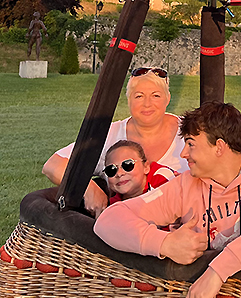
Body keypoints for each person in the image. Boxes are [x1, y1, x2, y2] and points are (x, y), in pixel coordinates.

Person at [94, 102, 241, 298]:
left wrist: (218, 270)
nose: (184, 153)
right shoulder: (187, 185)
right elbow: (108, 220)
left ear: (219, 147)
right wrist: (165, 244)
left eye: (191, 144)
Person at [42, 67, 187, 217]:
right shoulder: (109, 134)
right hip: (125, 228)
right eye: (139, 96)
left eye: (156, 95)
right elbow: (53, 165)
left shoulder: (190, 131)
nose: (147, 104)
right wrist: (88, 188)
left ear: (168, 98)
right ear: (128, 99)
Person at [103, 140, 175, 204]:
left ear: (146, 167)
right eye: (111, 170)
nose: (119, 173)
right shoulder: (114, 204)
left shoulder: (162, 177)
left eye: (128, 165)